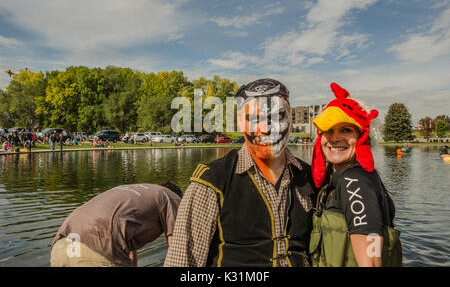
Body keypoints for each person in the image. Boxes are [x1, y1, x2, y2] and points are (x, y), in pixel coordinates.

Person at [164, 78, 317, 267]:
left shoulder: (308, 176)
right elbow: (182, 262)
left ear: (290, 120)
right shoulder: (212, 182)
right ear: (240, 123)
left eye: (278, 117)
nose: (267, 128)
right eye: (255, 119)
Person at [309, 83, 402, 267]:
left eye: (345, 129)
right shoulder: (341, 179)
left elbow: (372, 262)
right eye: (329, 130)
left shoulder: (354, 181)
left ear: (362, 137)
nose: (335, 138)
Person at [50, 182, 182, 267]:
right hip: (98, 251)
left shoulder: (135, 193)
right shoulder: (171, 197)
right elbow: (176, 247)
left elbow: (129, 247)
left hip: (61, 247)